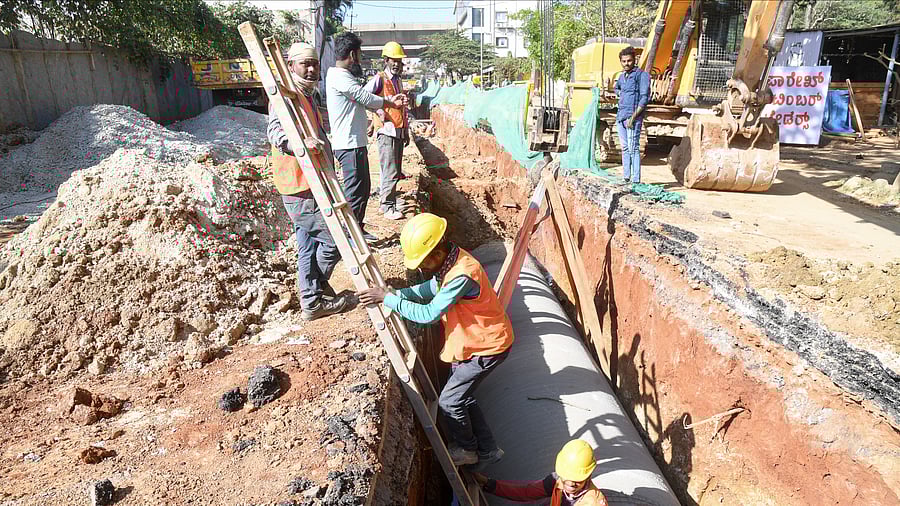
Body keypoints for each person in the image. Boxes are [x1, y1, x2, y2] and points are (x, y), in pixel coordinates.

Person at [358, 213, 513, 466]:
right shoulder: (451, 261)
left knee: (450, 401)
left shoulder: (462, 274)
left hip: (487, 346)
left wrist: (389, 300)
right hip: (472, 343)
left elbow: (429, 314)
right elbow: (432, 288)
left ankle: (468, 449)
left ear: (437, 254)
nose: (420, 268)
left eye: (422, 262)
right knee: (463, 396)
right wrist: (399, 293)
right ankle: (488, 450)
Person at [267, 42, 349, 321]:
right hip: (299, 184)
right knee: (336, 240)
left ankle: (313, 299)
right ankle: (316, 293)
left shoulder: (307, 95)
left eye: (315, 63)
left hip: (312, 182)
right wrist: (298, 145)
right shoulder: (284, 97)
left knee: (308, 245)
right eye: (306, 64)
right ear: (291, 66)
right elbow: (276, 133)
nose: (312, 69)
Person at [326, 32, 407, 242]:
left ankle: (358, 229)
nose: (360, 60)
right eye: (360, 55)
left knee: (363, 189)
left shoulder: (344, 77)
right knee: (355, 191)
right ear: (352, 54)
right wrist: (390, 103)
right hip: (348, 145)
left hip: (357, 142)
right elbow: (364, 96)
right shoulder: (338, 76)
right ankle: (350, 236)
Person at [474, 439, 609, 505]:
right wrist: (489, 484)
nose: (571, 483)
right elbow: (526, 492)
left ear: (588, 475)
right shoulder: (557, 481)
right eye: (567, 476)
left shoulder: (592, 503)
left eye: (577, 479)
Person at [365, 41, 410, 221]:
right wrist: (378, 111)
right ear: (386, 60)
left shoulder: (398, 80)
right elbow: (364, 97)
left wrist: (405, 130)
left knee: (395, 169)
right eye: (394, 60)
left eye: (399, 60)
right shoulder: (379, 79)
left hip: (398, 130)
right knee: (390, 170)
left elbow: (401, 108)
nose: (397, 63)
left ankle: (389, 201)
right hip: (386, 131)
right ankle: (387, 206)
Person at [614, 46, 650, 184]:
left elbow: (644, 98)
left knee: (633, 148)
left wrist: (633, 117)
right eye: (623, 61)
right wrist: (619, 94)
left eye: (629, 60)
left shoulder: (642, 75)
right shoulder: (622, 77)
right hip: (621, 116)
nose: (626, 63)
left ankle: (635, 180)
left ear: (634, 60)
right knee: (624, 148)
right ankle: (626, 177)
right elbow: (617, 88)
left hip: (632, 118)